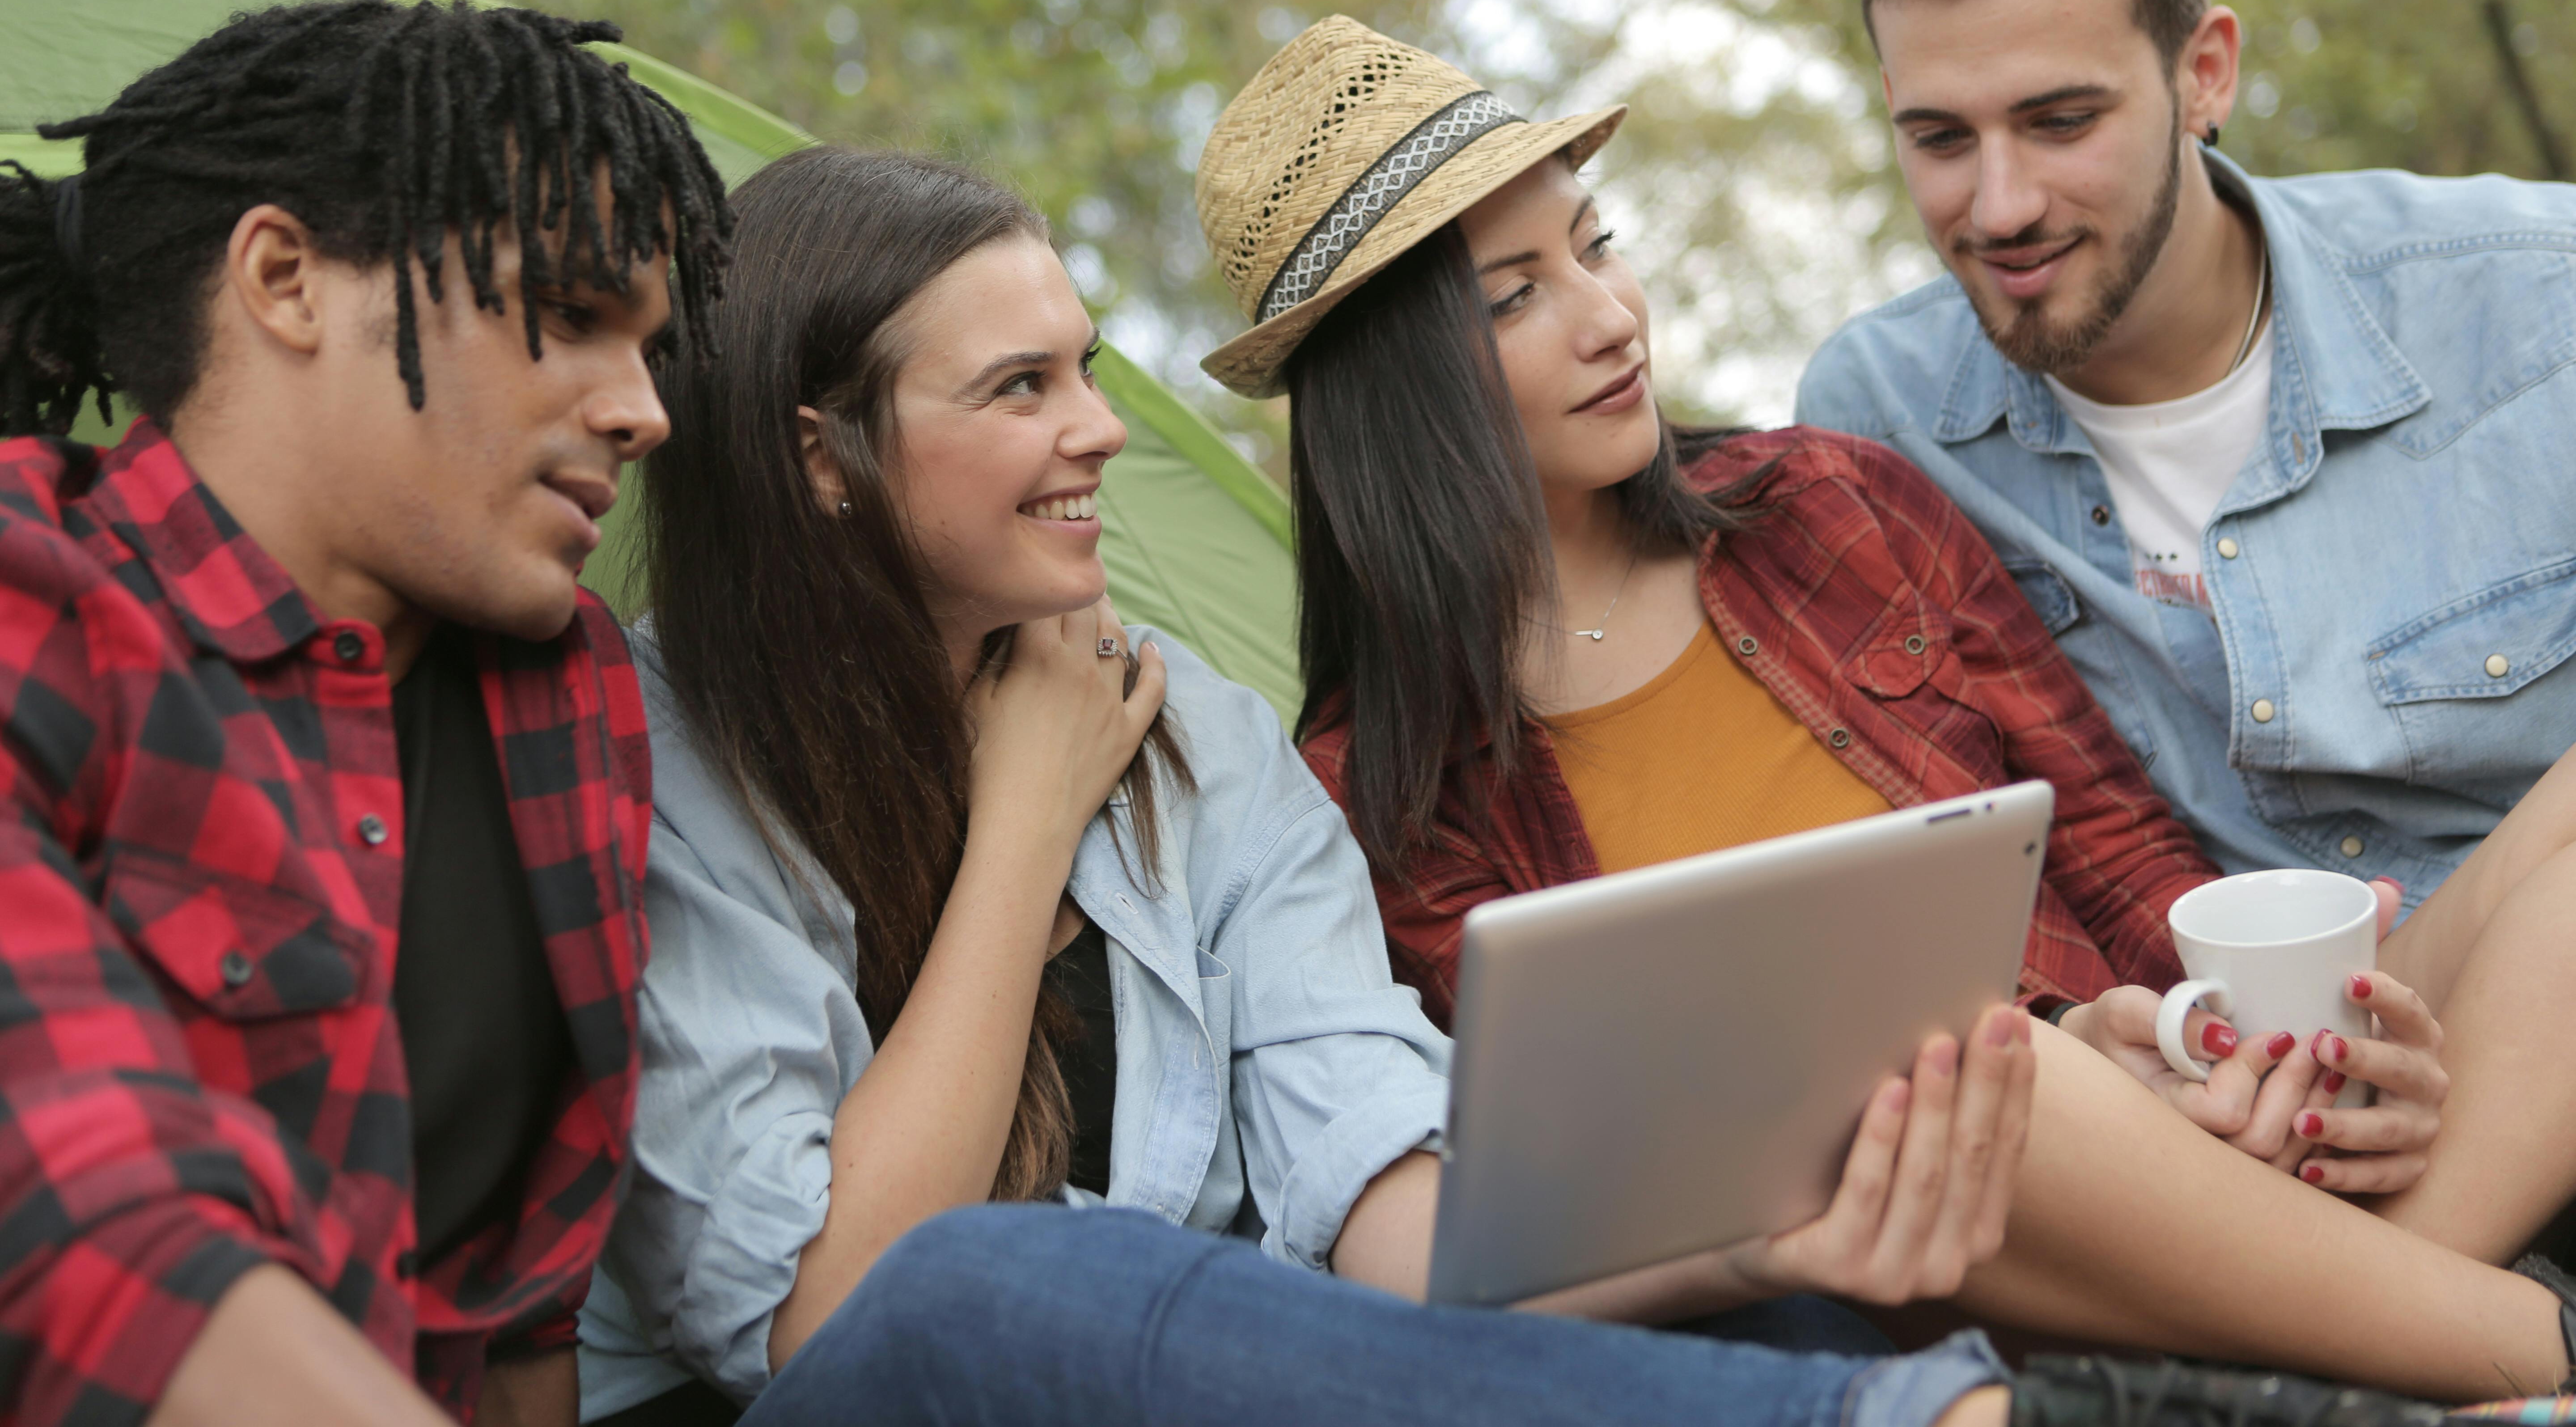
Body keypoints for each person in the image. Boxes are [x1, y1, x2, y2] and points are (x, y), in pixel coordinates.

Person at [571, 144, 2364, 1427]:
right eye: (1021, 387)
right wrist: (1024, 820)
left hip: (1242, 1376)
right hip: (912, 1379)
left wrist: (1751, 1221)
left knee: (1783, 1286)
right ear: (826, 462)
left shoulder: (1202, 742)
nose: (1099, 429)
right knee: (992, 1279)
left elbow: (1377, 1193)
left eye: (1090, 371)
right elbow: (832, 1326)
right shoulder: (663, 765)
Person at [1190, 13, 2576, 1401]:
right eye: (1514, 297)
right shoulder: (1385, 789)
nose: (1612, 317)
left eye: (1595, 247)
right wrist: (2059, 1074)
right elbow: (1599, 1190)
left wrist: (2223, 1040)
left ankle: (2407, 1344)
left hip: (2177, 1129)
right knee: (1969, 1073)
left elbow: (2121, 855)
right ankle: (2507, 1346)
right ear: (1392, 387)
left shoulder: (1827, 506)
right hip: (1933, 1253)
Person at [1792, 0, 2576, 1271]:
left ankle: (2386, 1332)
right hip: (2217, 1111)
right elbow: (1921, 847)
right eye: (1938, 138)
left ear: (2204, 71)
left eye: (2061, 119)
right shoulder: (1873, 419)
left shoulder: (2541, 306)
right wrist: (2104, 1032)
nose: (1999, 204)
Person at [0, 0, 730, 1425]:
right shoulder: (36, 601)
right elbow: (84, 1225)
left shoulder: (572, 690)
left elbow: (517, 1307)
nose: (645, 411)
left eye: (650, 349)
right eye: (574, 315)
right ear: (286, 280)